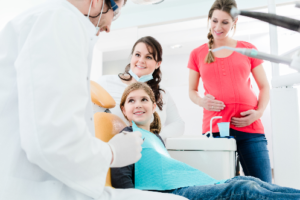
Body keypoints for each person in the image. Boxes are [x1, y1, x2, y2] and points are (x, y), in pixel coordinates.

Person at [0, 0, 187, 200]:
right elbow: (52, 141)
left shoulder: (52, 21)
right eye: (115, 14)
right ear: (97, 1)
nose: (108, 27)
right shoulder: (59, 21)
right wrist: (112, 153)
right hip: (42, 188)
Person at [111, 82, 300, 200]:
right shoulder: (127, 137)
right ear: (123, 108)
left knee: (247, 179)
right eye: (131, 101)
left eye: (143, 99)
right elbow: (121, 182)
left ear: (153, 107)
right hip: (169, 193)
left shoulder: (155, 138)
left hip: (183, 185)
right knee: (244, 189)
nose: (138, 104)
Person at [188, 0, 272, 183]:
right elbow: (192, 91)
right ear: (209, 19)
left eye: (225, 22)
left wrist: (258, 113)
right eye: (215, 20)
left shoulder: (248, 49)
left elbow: (264, 86)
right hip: (215, 129)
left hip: (250, 128)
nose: (218, 27)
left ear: (235, 22)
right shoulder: (197, 53)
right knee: (221, 188)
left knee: (264, 186)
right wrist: (201, 101)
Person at [97, 36, 184, 141]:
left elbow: (178, 124)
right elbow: (90, 118)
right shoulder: (106, 82)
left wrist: (155, 136)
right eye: (137, 55)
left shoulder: (162, 93)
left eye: (149, 57)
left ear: (158, 64)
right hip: (115, 151)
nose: (141, 60)